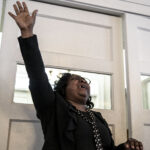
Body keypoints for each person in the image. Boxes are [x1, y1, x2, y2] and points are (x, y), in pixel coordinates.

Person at [8, 1, 143, 150]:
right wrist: (27, 33)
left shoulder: (97, 117)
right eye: (75, 79)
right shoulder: (52, 107)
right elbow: (37, 75)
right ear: (63, 89)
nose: (82, 80)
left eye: (84, 79)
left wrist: (125, 147)